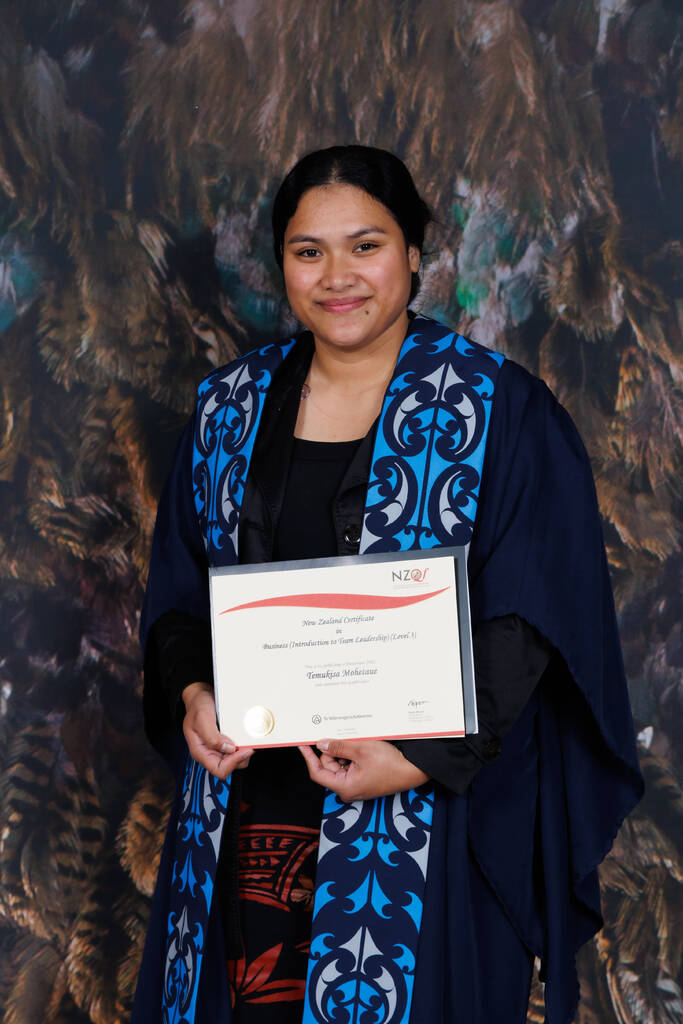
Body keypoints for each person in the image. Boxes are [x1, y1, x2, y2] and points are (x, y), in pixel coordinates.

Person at [132, 146, 643, 1024]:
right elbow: (181, 593)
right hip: (245, 816)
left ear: (413, 253)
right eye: (308, 252)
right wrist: (191, 694)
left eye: (365, 246)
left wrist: (414, 757)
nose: (337, 277)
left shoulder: (499, 411)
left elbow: (528, 617)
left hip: (420, 830)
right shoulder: (226, 410)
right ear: (282, 263)